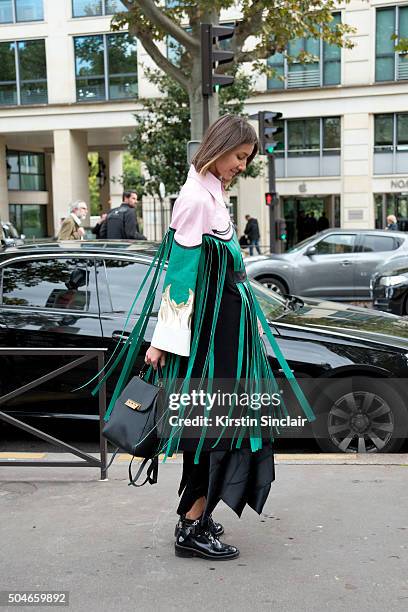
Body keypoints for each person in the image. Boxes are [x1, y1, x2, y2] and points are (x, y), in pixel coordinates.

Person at [100, 114, 314, 561]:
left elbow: (228, 268)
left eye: (246, 160)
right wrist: (160, 340)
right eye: (239, 157)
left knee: (217, 427)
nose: (242, 166)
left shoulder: (212, 189)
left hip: (228, 337)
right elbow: (181, 279)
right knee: (210, 429)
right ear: (221, 147)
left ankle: (195, 517)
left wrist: (251, 314)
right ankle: (192, 527)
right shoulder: (196, 197)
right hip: (212, 344)